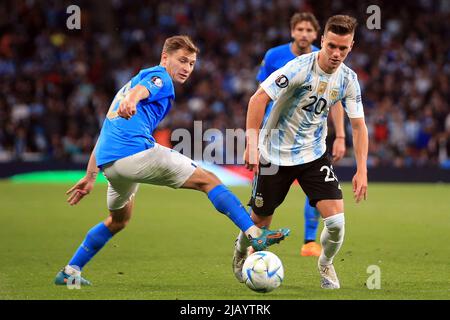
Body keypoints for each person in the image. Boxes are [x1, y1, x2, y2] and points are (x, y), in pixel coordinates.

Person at [54, 35, 290, 286]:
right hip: (135, 153)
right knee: (208, 180)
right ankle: (254, 233)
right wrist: (131, 100)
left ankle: (70, 272)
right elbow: (141, 92)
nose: (187, 68)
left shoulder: (129, 84)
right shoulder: (160, 77)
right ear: (165, 58)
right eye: (182, 61)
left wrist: (90, 177)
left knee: (119, 220)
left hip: (111, 165)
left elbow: (105, 132)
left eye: (191, 63)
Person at [233, 15, 368, 289]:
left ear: (351, 46)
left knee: (337, 223)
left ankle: (326, 264)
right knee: (258, 223)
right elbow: (258, 98)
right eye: (331, 46)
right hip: (274, 155)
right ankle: (239, 255)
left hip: (313, 155)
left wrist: (362, 169)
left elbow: (359, 126)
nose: (336, 53)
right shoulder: (297, 68)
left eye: (343, 48)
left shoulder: (348, 79)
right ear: (322, 41)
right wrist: (251, 144)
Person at [254, 12, 346, 258]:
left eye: (309, 30)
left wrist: (340, 136)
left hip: (310, 136)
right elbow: (261, 92)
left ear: (317, 35)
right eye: (300, 29)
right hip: (275, 137)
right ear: (292, 31)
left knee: (317, 190)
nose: (304, 34)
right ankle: (254, 243)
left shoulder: (327, 57)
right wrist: (253, 139)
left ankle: (309, 240)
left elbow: (336, 100)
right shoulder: (275, 56)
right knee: (264, 203)